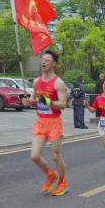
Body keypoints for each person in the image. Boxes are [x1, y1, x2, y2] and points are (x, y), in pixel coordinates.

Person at [28, 50, 69, 197]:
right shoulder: (36, 82)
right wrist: (29, 101)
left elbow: (63, 104)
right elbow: (34, 99)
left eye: (47, 60)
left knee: (55, 155)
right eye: (42, 59)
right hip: (40, 122)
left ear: (53, 63)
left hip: (54, 122)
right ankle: (50, 173)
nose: (43, 62)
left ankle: (62, 182)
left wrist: (47, 101)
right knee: (34, 155)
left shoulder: (58, 83)